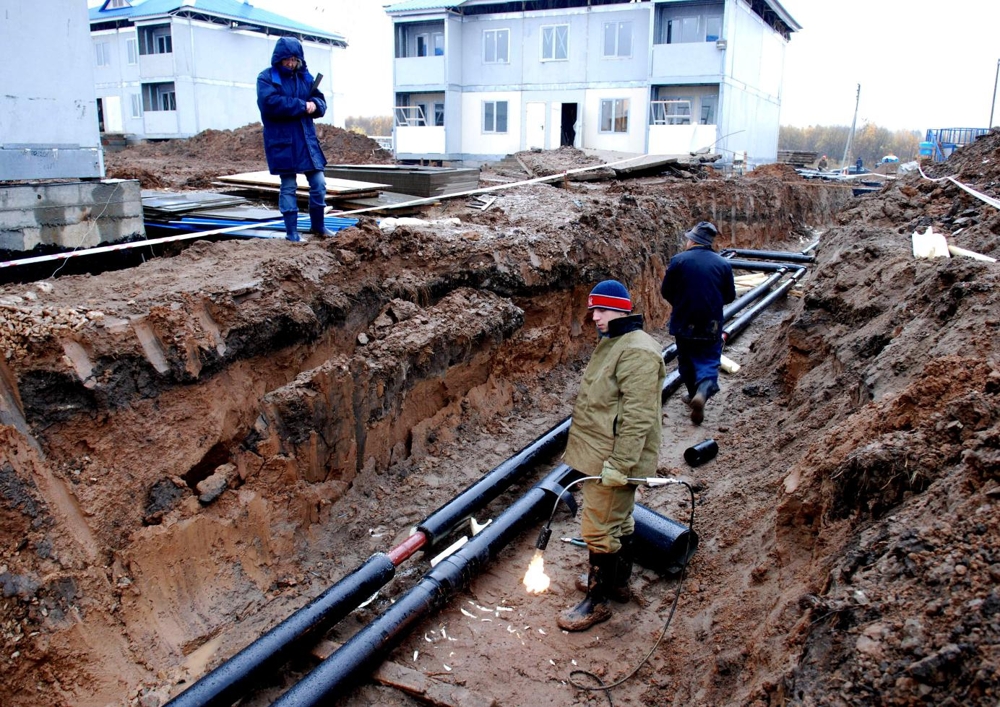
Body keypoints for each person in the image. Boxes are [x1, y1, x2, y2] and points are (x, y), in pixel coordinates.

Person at [557, 280, 667, 632]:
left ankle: (597, 601)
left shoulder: (636, 350)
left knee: (598, 527)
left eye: (602, 310)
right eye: (592, 311)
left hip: (614, 458)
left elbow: (638, 417)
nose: (595, 318)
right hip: (603, 453)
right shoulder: (616, 341)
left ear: (622, 309)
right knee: (618, 520)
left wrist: (620, 465)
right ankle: (617, 583)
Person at [256, 37, 331, 242]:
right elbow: (270, 103)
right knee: (288, 186)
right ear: (279, 59)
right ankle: (292, 233)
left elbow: (321, 102)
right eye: (287, 59)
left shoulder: (305, 77)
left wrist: (315, 105)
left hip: (306, 140)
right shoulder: (267, 78)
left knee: (319, 183)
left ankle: (319, 226)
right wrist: (301, 106)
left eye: (294, 59)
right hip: (283, 142)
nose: (290, 63)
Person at [660, 221, 736, 425]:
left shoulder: (678, 261)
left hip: (684, 321)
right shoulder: (722, 264)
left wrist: (681, 304)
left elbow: (666, 291)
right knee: (709, 359)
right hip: (710, 323)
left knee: (686, 359)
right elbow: (729, 296)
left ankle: (694, 393)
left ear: (692, 240)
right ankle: (702, 391)